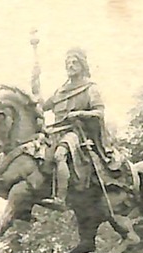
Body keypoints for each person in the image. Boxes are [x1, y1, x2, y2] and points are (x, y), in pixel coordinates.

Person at [41, 48, 119, 209]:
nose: (70, 65)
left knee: (59, 155)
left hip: (76, 132)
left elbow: (99, 112)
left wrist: (80, 113)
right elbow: (42, 106)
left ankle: (60, 199)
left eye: (74, 61)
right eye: (68, 62)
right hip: (55, 132)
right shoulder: (60, 91)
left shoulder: (90, 88)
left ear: (83, 65)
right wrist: (34, 84)